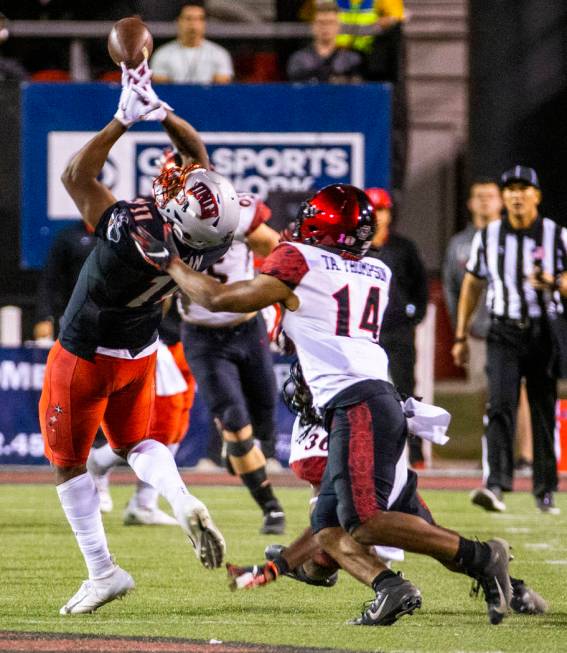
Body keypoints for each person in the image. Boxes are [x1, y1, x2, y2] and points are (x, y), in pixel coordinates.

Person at [133, 183, 521, 626]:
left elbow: (219, 298)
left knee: (366, 522)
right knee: (329, 525)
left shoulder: (300, 259)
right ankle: (391, 588)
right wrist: (275, 568)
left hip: (356, 400)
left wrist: (172, 263)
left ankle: (481, 556)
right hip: (367, 397)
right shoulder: (376, 269)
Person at [39, 62, 235, 614]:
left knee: (68, 462)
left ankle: (103, 571)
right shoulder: (212, 238)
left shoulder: (135, 230)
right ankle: (180, 498)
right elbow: (194, 152)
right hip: (142, 351)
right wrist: (161, 106)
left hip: (85, 352)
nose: (172, 176)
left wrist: (122, 117)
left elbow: (76, 178)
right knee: (134, 444)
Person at [228, 360, 547, 621]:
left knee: (333, 541)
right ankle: (511, 585)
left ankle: (392, 588)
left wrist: (281, 565)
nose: (300, 392)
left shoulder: (345, 415)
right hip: (385, 473)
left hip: (372, 483)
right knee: (432, 541)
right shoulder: (318, 422)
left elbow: (325, 523)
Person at [452, 165, 566, 515]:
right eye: (511, 189)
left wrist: (555, 283)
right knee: (499, 405)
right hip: (502, 330)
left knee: (542, 408)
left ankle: (545, 488)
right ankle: (496, 484)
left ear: (537, 195)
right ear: (504, 197)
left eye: (523, 188)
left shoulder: (556, 235)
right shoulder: (488, 236)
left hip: (543, 329)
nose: (516, 195)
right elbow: (472, 284)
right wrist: (460, 334)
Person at [177, 191, 287, 535]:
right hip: (202, 336)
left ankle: (242, 453)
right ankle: (271, 507)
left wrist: (271, 298)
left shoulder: (237, 213)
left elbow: (281, 252)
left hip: (247, 328)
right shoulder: (163, 225)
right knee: (235, 422)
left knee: (266, 426)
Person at [444, 179, 533, 468]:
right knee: (488, 395)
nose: (484, 202)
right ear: (470, 203)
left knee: (518, 391)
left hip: (513, 327)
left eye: (490, 196)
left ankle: (526, 455)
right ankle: (494, 454)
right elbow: (452, 289)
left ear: (501, 201)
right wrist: (461, 330)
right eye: (478, 196)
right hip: (479, 332)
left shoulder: (516, 237)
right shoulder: (459, 244)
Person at [87, 301, 196, 526]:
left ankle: (144, 503)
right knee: (161, 427)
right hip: (155, 339)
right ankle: (98, 463)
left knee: (177, 428)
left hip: (190, 339)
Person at [365, 187, 428, 467]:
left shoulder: (403, 248)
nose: (377, 216)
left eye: (381, 209)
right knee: (364, 392)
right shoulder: (357, 247)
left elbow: (420, 286)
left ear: (389, 213)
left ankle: (416, 453)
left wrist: (410, 316)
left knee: (406, 390)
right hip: (365, 334)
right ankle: (367, 451)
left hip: (397, 330)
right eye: (372, 210)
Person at [34, 223, 97, 341]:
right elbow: (50, 280)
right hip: (75, 316)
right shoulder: (69, 237)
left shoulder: (120, 237)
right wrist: (44, 317)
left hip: (111, 317)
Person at [151, 1, 234, 84]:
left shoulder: (219, 53)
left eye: (199, 19)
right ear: (178, 21)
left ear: (204, 23)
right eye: (188, 18)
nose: (193, 24)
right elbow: (160, 87)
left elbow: (222, 86)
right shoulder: (162, 54)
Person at [287, 3, 363, 83]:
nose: (325, 27)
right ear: (313, 26)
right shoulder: (299, 59)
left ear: (338, 26)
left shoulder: (352, 59)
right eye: (321, 22)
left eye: (330, 22)